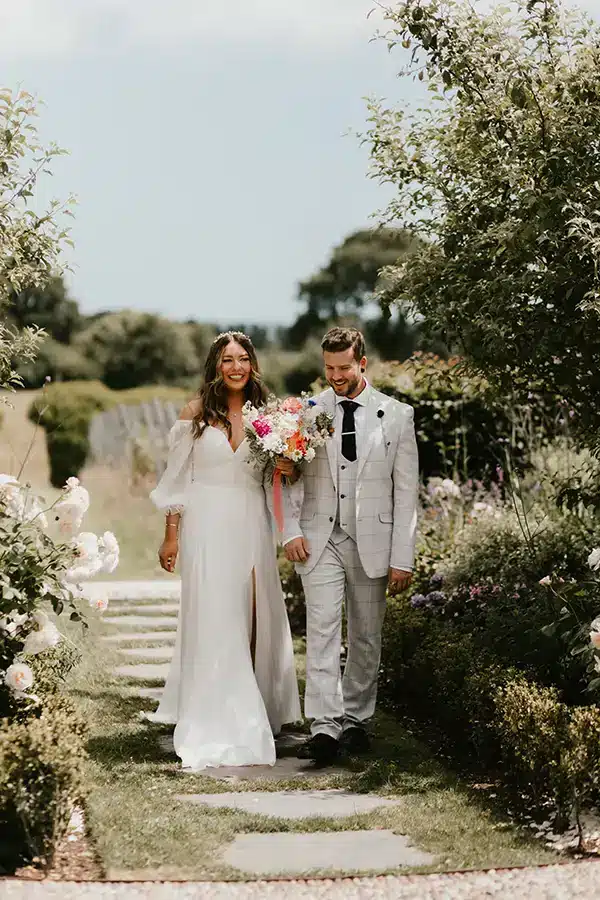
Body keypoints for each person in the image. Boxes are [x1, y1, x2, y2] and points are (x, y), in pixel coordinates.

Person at [149, 331, 301, 771]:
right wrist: (171, 533)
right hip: (207, 521)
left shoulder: (269, 417)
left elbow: (279, 476)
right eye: (226, 359)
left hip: (252, 520)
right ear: (215, 366)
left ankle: (258, 700)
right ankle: (217, 709)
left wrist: (287, 467)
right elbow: (176, 480)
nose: (235, 367)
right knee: (215, 613)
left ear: (252, 365)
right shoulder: (194, 415)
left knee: (253, 611)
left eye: (242, 359)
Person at [283, 326, 419, 764]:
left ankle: (356, 721)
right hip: (320, 540)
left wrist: (403, 557)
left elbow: (406, 493)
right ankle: (324, 728)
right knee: (321, 632)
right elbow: (286, 479)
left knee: (365, 635)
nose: (336, 376)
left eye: (344, 367)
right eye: (329, 368)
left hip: (373, 542)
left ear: (362, 363)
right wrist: (290, 530)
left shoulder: (396, 415)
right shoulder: (307, 412)